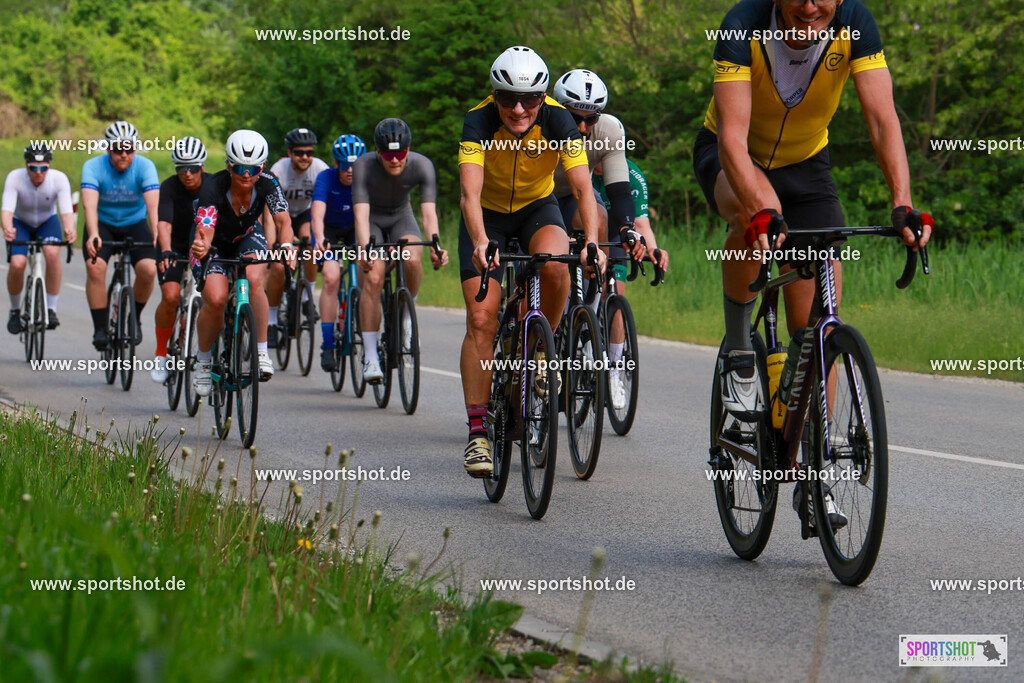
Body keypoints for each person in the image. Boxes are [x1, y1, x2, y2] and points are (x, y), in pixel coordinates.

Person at [696, 0, 933, 524]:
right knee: (752, 217)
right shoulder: (743, 24)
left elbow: (882, 119)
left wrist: (902, 203)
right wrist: (763, 206)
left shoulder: (855, 24)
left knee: (819, 331)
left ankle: (813, 474)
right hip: (733, 157)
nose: (810, 7)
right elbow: (731, 137)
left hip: (807, 167)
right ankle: (739, 351)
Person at [458, 46, 605, 477]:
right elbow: (469, 194)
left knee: (557, 263)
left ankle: (540, 351)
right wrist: (480, 241)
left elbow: (582, 188)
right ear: (494, 95)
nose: (519, 109)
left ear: (543, 97)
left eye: (530, 100)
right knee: (482, 318)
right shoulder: (478, 121)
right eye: (508, 98)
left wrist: (592, 242)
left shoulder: (558, 120)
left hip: (536, 210)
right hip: (486, 216)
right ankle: (478, 433)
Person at [189, 130, 294, 396]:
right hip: (213, 241)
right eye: (239, 168)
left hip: (246, 235)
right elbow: (205, 228)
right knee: (216, 299)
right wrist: (202, 245)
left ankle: (261, 352)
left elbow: (283, 220)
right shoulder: (213, 187)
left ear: (263, 167)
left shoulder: (269, 182)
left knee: (256, 281)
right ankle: (203, 362)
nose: (246, 175)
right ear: (228, 165)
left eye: (253, 169)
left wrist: (287, 246)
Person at [352, 118, 448, 382]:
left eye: (400, 153)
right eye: (388, 155)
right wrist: (365, 250)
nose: (395, 160)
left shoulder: (422, 165)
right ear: (377, 152)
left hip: (401, 218)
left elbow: (428, 214)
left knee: (413, 258)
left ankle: (406, 315)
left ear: (409, 149)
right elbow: (361, 216)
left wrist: (436, 246)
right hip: (372, 219)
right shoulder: (363, 165)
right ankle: (371, 356)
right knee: (373, 277)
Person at [591, 157, 669, 409]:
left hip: (616, 235)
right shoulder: (581, 164)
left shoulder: (631, 174)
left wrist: (653, 249)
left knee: (616, 293)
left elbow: (641, 223)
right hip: (583, 231)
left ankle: (613, 373)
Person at [82, 121, 160, 351]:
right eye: (118, 150)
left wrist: (157, 233)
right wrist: (93, 233)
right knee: (95, 268)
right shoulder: (93, 166)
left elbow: (153, 206)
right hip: (102, 223)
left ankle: (134, 316)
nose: (124, 155)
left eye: (129, 149)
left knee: (149, 269)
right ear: (108, 149)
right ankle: (99, 328)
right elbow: (89, 205)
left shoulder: (145, 166)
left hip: (134, 224)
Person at [150, 137, 210, 383]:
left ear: (202, 167)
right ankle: (160, 354)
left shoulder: (212, 186)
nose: (187, 174)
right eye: (181, 168)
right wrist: (165, 250)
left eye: (192, 168)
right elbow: (164, 223)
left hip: (202, 244)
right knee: (171, 296)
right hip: (173, 244)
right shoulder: (169, 186)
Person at [3, 144, 76, 333]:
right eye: (33, 168)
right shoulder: (15, 178)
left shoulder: (58, 179)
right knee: (18, 263)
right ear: (26, 166)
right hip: (21, 222)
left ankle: (51, 309)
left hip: (47, 222)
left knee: (52, 254)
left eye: (43, 168)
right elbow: (7, 210)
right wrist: (7, 228)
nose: (38, 173)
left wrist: (70, 230)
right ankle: (14, 310)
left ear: (49, 166)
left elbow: (66, 212)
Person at [267, 127, 330, 346]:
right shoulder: (279, 170)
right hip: (280, 215)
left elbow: (323, 205)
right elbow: (268, 212)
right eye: (299, 152)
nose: (305, 157)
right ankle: (271, 322)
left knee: (309, 244)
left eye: (309, 152)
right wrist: (272, 245)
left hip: (305, 214)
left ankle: (306, 298)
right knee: (277, 267)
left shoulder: (320, 168)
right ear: (290, 153)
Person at [311, 134, 364, 372]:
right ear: (335, 164)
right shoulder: (326, 177)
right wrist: (319, 237)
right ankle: (328, 344)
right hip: (329, 230)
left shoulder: (367, 179)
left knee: (368, 269)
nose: (350, 171)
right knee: (331, 277)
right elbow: (317, 212)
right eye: (344, 166)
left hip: (355, 229)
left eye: (355, 166)